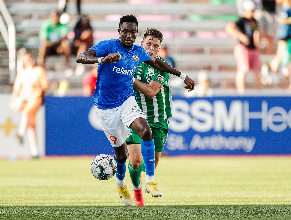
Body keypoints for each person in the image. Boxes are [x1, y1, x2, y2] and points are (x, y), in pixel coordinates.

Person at [76, 15, 195, 206]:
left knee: (145, 132)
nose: (129, 34)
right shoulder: (108, 46)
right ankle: (121, 183)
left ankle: (149, 181)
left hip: (128, 103)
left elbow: (157, 64)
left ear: (136, 33)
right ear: (119, 31)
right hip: (107, 108)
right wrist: (102, 60)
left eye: (133, 31)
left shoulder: (138, 53)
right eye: (126, 31)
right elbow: (81, 57)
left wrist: (182, 75)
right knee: (122, 156)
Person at [123, 28, 172, 206]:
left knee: (152, 162)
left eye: (155, 46)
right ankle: (136, 189)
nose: (151, 48)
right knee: (135, 161)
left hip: (158, 119)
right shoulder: (129, 62)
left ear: (159, 49)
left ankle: (143, 182)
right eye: (148, 44)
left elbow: (151, 91)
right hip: (135, 117)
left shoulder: (161, 66)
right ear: (141, 44)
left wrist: (130, 79)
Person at [10, 52, 50, 158]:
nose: (29, 61)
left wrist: (37, 86)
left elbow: (45, 84)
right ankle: (35, 152)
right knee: (31, 125)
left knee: (27, 112)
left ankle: (21, 133)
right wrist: (13, 100)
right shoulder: (22, 73)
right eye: (26, 59)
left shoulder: (38, 71)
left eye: (30, 58)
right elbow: (17, 89)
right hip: (25, 99)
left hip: (36, 97)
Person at [226, 0, 261, 94]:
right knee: (243, 70)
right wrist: (241, 36)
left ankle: (259, 92)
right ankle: (241, 92)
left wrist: (257, 42)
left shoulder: (254, 21)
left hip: (253, 48)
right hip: (243, 48)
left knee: (257, 71)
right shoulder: (242, 20)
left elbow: (256, 32)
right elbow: (230, 28)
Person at [268, 0, 291, 73]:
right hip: (285, 34)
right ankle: (274, 67)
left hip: (286, 34)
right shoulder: (285, 9)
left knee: (282, 53)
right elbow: (282, 20)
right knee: (280, 53)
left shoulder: (286, 8)